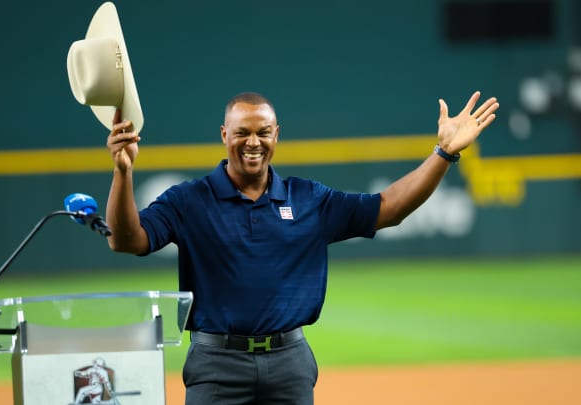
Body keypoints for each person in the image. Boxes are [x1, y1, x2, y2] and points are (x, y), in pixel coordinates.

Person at [104, 91, 499, 404]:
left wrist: (444, 153)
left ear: (277, 135)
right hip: (216, 364)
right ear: (225, 135)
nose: (253, 142)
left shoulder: (309, 199)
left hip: (289, 362)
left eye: (263, 131)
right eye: (242, 132)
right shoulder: (189, 200)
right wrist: (123, 172)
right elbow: (126, 239)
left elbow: (388, 209)